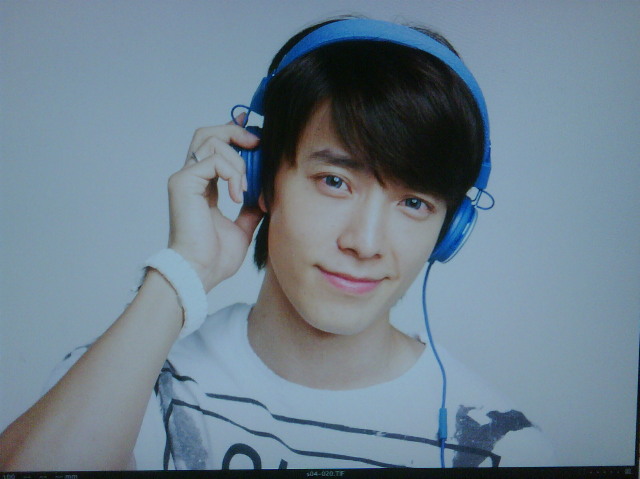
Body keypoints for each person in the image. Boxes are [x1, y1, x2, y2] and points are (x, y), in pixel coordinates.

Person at [0, 17, 553, 471]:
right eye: (334, 181)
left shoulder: (499, 446)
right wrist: (182, 272)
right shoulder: (122, 381)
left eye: (414, 202)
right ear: (262, 178)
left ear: (450, 229)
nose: (365, 243)